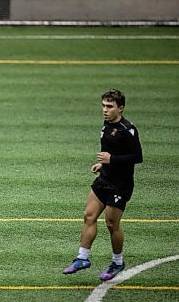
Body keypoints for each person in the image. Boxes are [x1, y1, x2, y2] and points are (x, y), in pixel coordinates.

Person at [63, 89, 143, 281]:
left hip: (120, 185)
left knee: (111, 224)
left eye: (109, 106)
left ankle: (117, 262)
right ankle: (82, 258)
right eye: (103, 106)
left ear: (120, 108)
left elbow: (137, 157)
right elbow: (108, 150)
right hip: (104, 179)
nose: (105, 110)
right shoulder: (107, 125)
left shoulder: (128, 130)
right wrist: (102, 163)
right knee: (89, 216)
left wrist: (111, 159)